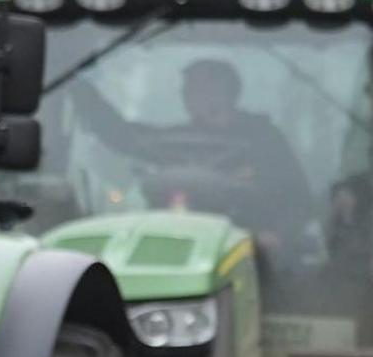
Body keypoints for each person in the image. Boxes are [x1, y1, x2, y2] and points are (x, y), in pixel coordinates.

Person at [71, 54, 320, 248]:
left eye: (194, 88)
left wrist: (276, 236)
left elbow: (298, 200)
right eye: (187, 90)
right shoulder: (176, 139)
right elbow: (122, 136)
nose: (185, 95)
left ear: (222, 93)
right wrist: (77, 86)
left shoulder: (264, 140)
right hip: (177, 239)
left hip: (249, 248)